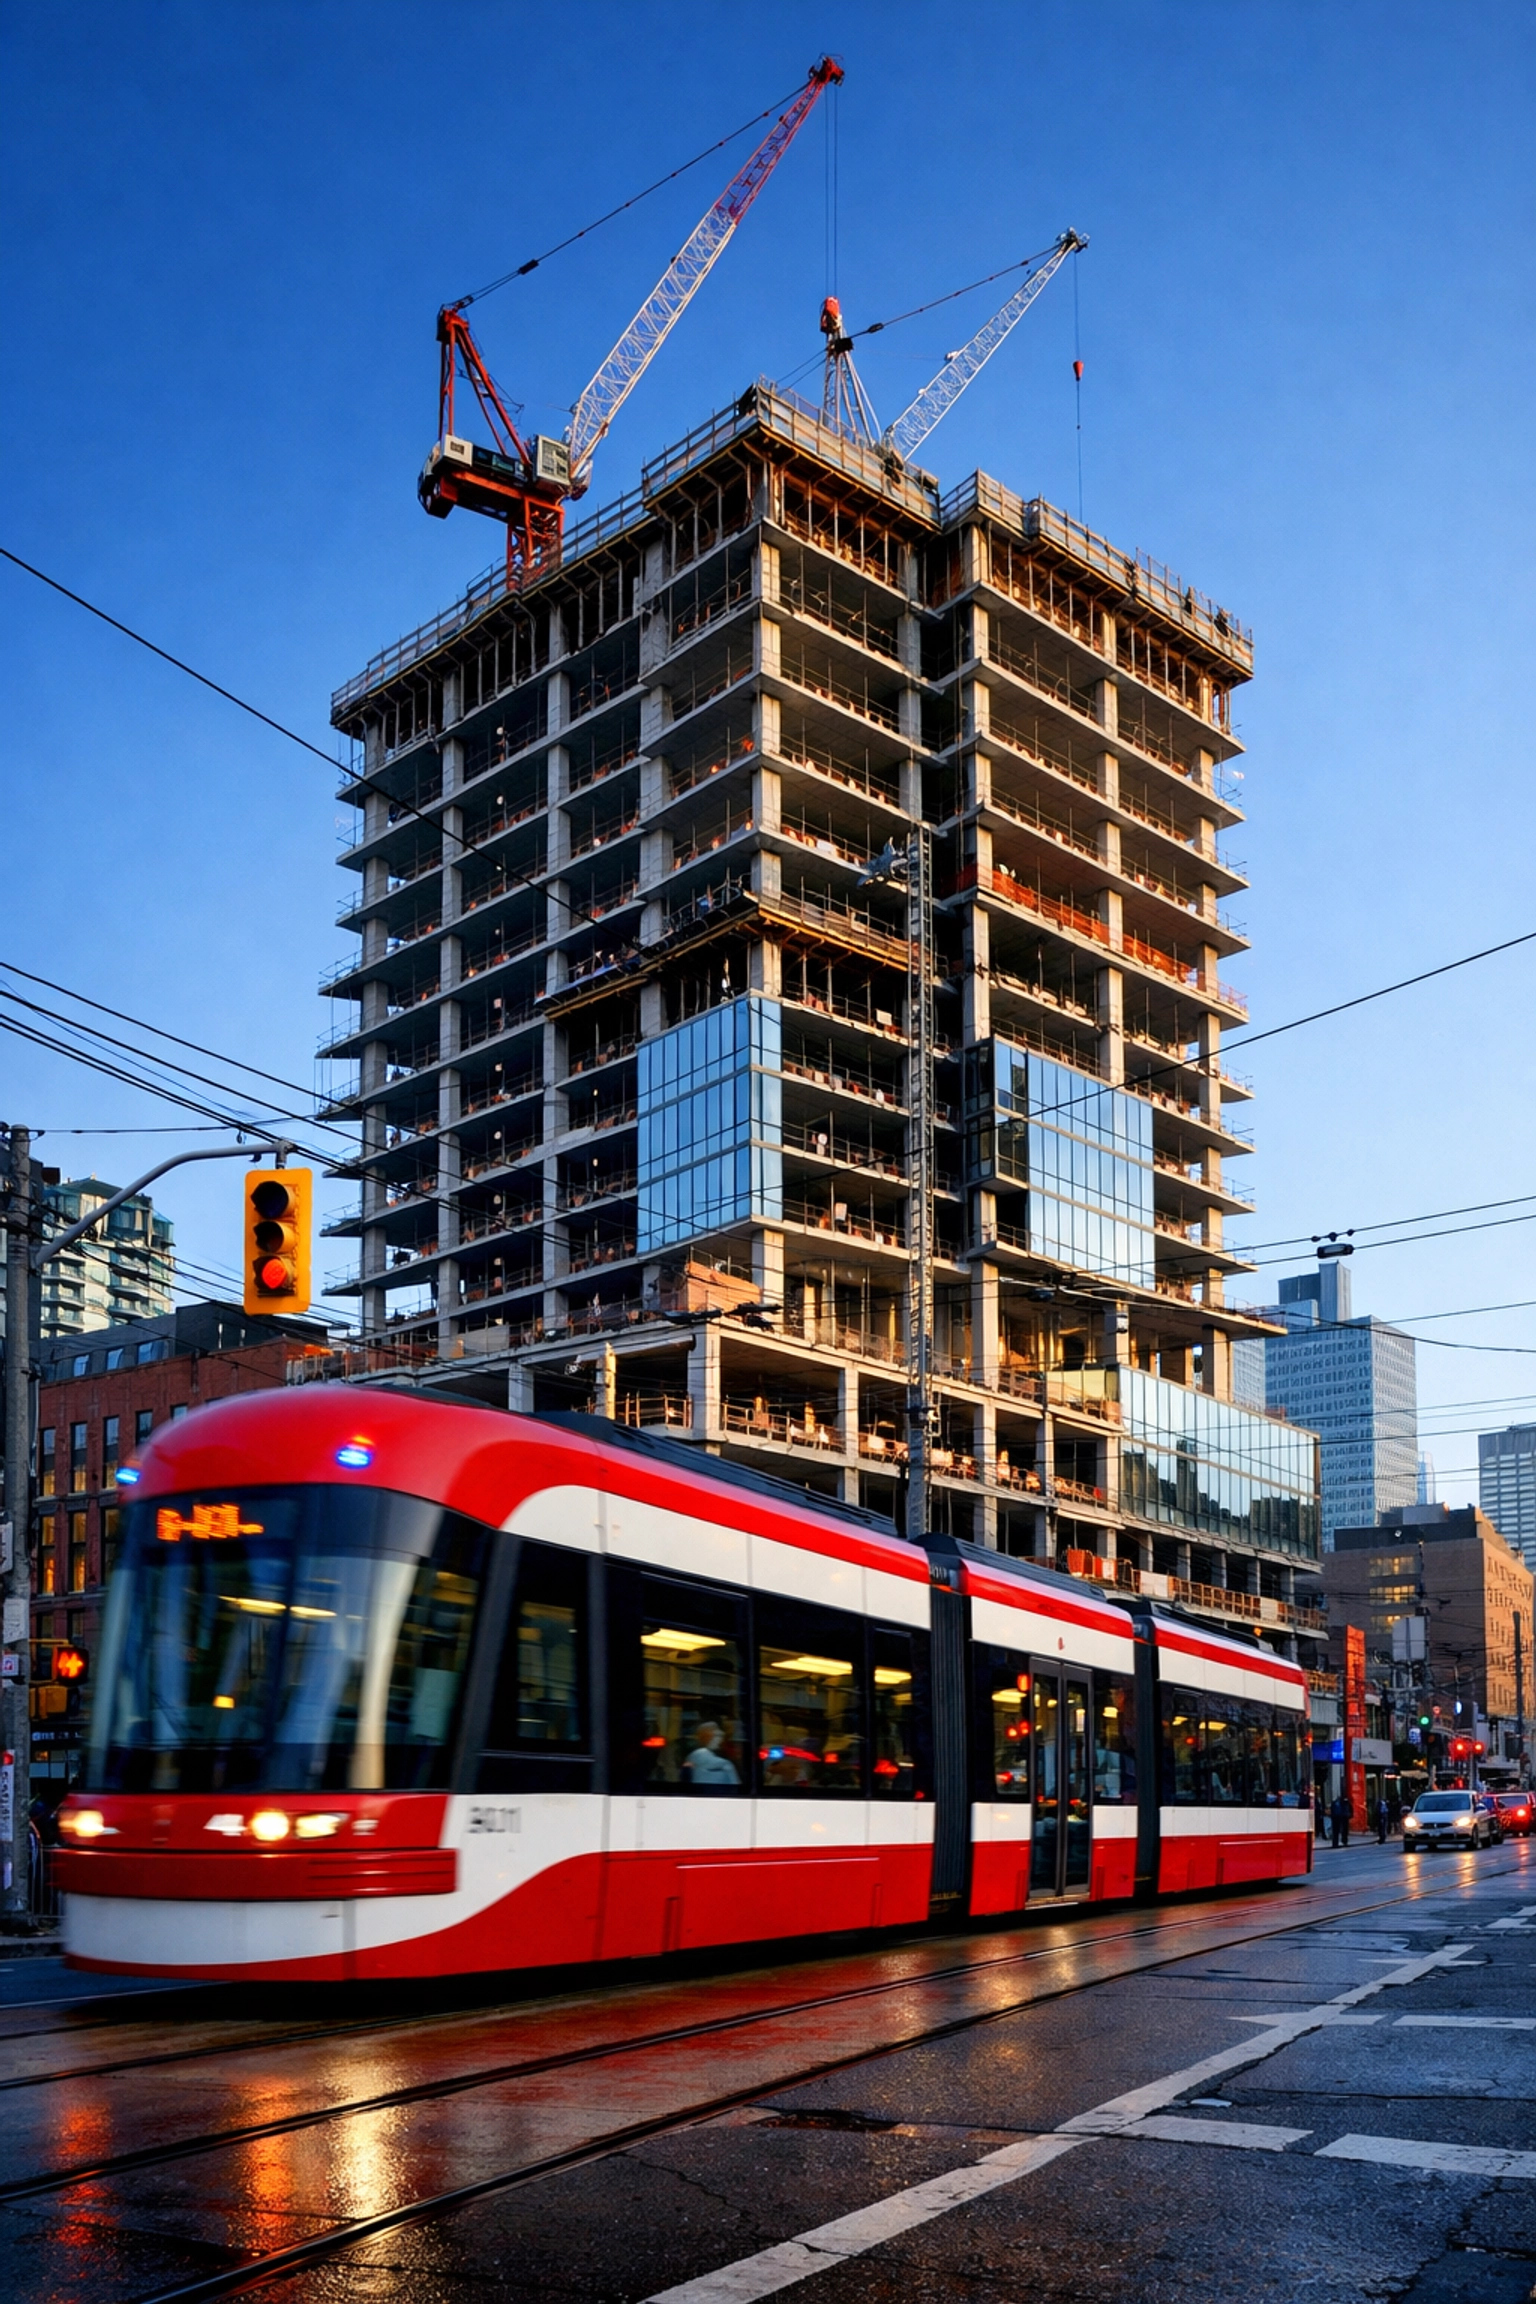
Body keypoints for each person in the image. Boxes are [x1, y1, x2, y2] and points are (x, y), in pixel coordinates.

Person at [683, 1721, 740, 1792]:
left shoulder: (692, 1757)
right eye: (716, 1736)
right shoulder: (725, 1764)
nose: (719, 1739)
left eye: (719, 1736)